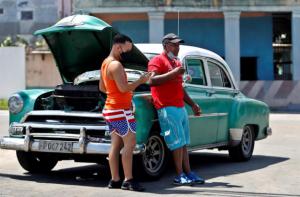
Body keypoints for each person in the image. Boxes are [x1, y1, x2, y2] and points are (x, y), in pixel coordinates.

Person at [147, 33, 205, 185]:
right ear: (165, 45)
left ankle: (188, 173)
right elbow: (151, 80)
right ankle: (179, 175)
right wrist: (174, 72)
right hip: (167, 107)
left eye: (178, 45)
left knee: (184, 143)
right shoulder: (157, 60)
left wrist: (192, 104)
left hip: (180, 106)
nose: (177, 47)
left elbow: (179, 87)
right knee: (177, 143)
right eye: (174, 44)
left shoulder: (176, 62)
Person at [99, 34, 151, 191]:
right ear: (117, 46)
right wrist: (140, 81)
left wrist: (118, 93)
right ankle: (128, 180)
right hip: (120, 110)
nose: (126, 53)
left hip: (110, 109)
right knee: (130, 143)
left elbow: (102, 88)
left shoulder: (105, 63)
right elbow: (123, 88)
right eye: (126, 50)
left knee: (115, 145)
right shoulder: (116, 65)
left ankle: (114, 179)